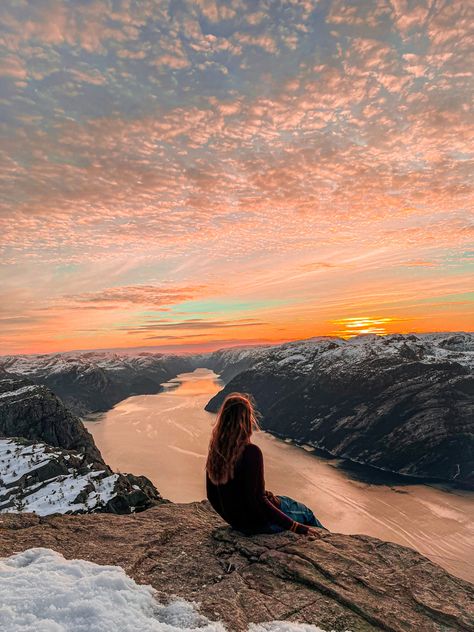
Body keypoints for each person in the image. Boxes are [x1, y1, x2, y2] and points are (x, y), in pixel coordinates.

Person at [205, 392, 326, 536]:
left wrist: (234, 521)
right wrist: (296, 527)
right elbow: (257, 499)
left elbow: (212, 495)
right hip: (261, 523)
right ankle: (330, 543)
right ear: (246, 421)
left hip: (240, 522)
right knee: (306, 513)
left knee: (284, 500)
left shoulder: (216, 451)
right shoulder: (251, 452)